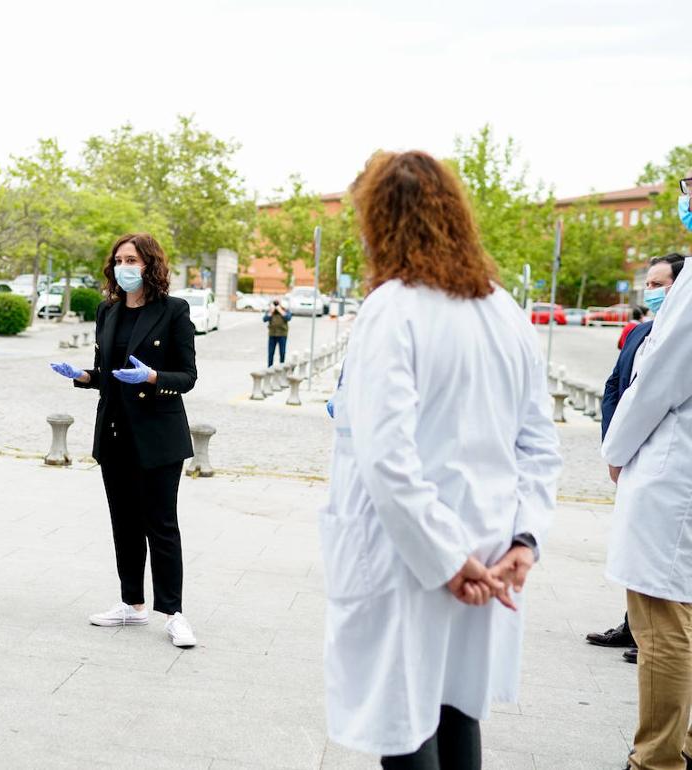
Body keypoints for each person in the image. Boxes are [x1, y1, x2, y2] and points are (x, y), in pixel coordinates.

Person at [322, 151, 561, 768]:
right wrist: (522, 542)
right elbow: (539, 445)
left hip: (413, 560)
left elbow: (387, 459)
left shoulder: (392, 309)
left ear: (379, 222)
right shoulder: (503, 311)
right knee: (458, 715)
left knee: (406, 729)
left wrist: (447, 562)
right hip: (488, 551)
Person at [49, 233, 200, 648]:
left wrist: (152, 377)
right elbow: (107, 375)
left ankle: (174, 613)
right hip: (115, 434)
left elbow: (187, 377)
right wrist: (82, 376)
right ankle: (131, 604)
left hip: (158, 436)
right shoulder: (107, 311)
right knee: (124, 524)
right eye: (118, 260)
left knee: (161, 525)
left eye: (132, 259)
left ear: (150, 265)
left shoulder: (174, 311)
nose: (123, 267)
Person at [603, 243, 692, 769]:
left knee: (661, 621)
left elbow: (660, 377)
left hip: (675, 475)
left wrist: (616, 449)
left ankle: (657, 758)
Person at [588, 253, 684, 664]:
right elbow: (617, 386)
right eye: (648, 284)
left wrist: (619, 449)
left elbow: (655, 393)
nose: (652, 292)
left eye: (660, 284)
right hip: (639, 456)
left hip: (667, 472)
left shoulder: (682, 320)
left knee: (665, 608)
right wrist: (614, 442)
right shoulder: (640, 332)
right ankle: (633, 628)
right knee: (644, 577)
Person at [264, 296, 292, 366]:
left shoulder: (284, 310)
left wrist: (280, 310)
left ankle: (281, 366)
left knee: (282, 352)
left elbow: (288, 318)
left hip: (282, 334)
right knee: (271, 353)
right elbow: (265, 319)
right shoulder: (270, 310)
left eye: (277, 302)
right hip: (272, 334)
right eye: (275, 302)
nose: (276, 304)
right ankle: (269, 367)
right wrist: (271, 311)